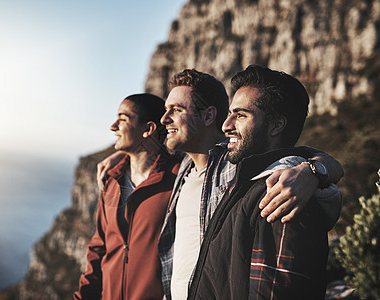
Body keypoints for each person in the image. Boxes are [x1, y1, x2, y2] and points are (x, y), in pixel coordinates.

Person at [97, 69, 343, 299]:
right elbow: (148, 150)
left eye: (176, 109)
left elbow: (289, 155)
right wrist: (121, 155)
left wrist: (313, 170)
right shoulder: (181, 167)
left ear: (208, 116)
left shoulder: (239, 167)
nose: (164, 119)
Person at [187, 65, 339, 299]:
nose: (226, 125)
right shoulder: (244, 184)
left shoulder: (281, 194)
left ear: (277, 125)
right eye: (229, 114)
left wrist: (313, 170)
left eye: (240, 115)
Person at [73, 93, 182, 300]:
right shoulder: (112, 180)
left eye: (122, 119)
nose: (113, 126)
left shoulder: (176, 178)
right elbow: (98, 248)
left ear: (148, 129)